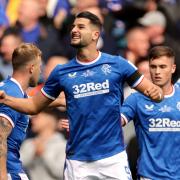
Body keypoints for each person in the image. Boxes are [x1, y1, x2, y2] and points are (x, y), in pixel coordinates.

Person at [0, 11, 163, 180]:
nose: (74, 30)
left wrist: (155, 93)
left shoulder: (118, 64)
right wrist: (6, 99)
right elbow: (34, 106)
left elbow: (155, 92)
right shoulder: (61, 72)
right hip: (77, 163)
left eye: (81, 26)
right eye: (73, 27)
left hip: (112, 158)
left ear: (95, 35)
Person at [121, 45, 180, 180]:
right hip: (149, 176)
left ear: (173, 68)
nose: (157, 71)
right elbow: (116, 121)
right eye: (153, 67)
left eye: (162, 67)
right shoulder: (136, 99)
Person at [0, 43, 42, 179]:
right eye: (39, 67)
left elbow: (34, 103)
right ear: (31, 68)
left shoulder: (12, 89)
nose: (40, 71)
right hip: (9, 171)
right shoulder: (13, 93)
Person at [20, 107, 67, 180]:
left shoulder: (63, 145)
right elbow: (16, 167)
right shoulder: (28, 143)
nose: (32, 120)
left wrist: (44, 154)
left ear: (50, 119)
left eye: (37, 117)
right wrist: (33, 153)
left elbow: (62, 173)